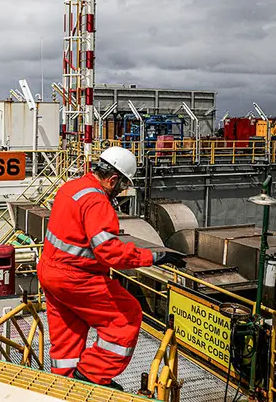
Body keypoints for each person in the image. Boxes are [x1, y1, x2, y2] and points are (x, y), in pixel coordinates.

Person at [38, 146, 185, 389]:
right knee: (126, 317)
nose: (121, 191)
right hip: (76, 277)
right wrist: (154, 257)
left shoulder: (70, 188)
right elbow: (109, 252)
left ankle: (64, 385)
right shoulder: (97, 201)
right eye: (122, 185)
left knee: (67, 334)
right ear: (113, 179)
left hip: (49, 272)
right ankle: (91, 376)